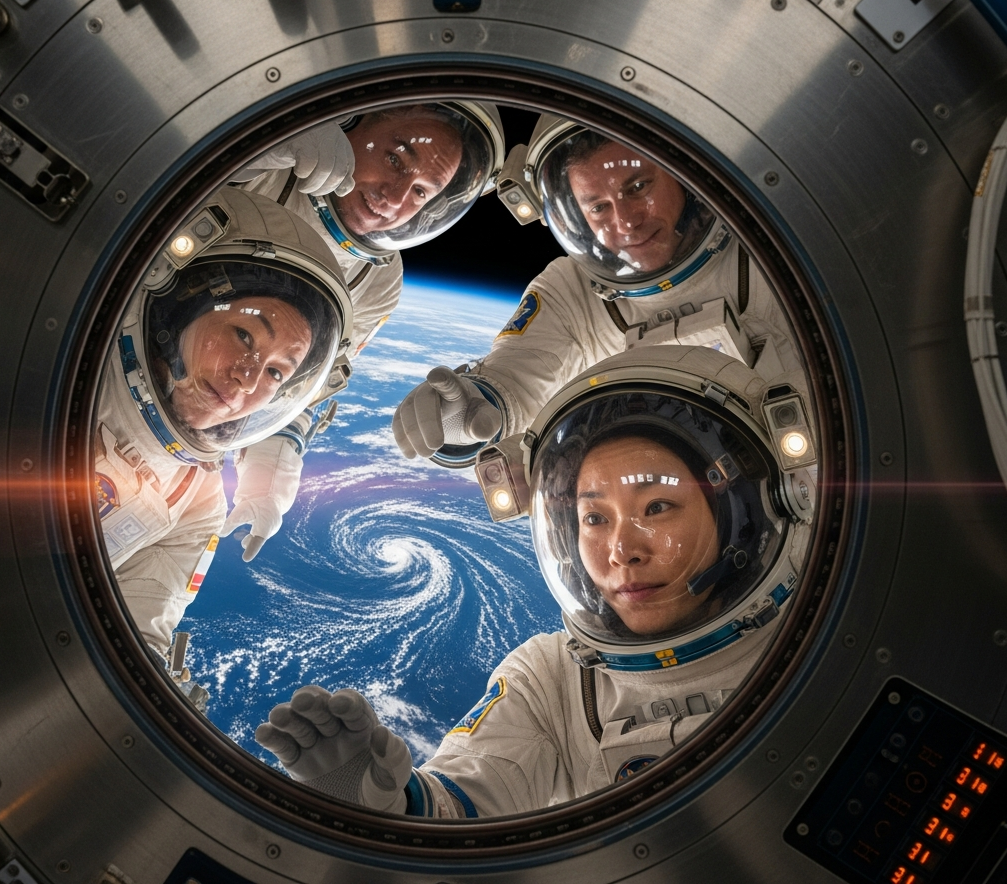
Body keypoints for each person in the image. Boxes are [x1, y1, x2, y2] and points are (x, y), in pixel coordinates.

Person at [254, 345, 816, 816]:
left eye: (659, 505)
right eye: (594, 518)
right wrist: (388, 803)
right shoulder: (551, 679)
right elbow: (468, 803)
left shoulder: (826, 632)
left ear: (739, 516)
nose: (622, 550)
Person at [391, 117, 806, 468]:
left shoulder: (777, 250)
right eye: (598, 207)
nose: (625, 222)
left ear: (685, 175)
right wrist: (475, 408)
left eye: (638, 187)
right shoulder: (572, 292)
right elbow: (518, 374)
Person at [225, 101, 505, 555]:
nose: (393, 199)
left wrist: (266, 484)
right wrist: (264, 136)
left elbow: (301, 385)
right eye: (395, 159)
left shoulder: (378, 279)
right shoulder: (268, 168)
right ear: (350, 123)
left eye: (420, 193)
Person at [99, 186, 351, 656]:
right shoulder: (65, 353)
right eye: (244, 335)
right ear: (179, 306)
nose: (247, 378)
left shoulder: (196, 502)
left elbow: (134, 641)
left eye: (276, 372)